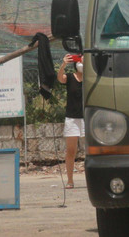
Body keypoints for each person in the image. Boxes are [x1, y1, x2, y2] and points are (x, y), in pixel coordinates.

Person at [56, 53, 84, 188]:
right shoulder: (71, 77)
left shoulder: (91, 78)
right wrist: (63, 64)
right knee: (71, 151)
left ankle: (93, 180)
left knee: (92, 150)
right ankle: (70, 180)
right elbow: (60, 78)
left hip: (88, 117)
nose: (82, 64)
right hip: (72, 118)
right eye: (80, 60)